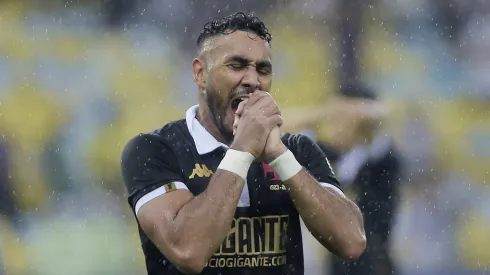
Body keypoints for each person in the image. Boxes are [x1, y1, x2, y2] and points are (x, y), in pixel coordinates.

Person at [120, 12, 366, 275]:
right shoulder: (154, 150)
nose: (252, 80)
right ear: (200, 73)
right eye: (236, 66)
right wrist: (243, 150)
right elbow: (189, 251)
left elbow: (351, 242)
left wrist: (279, 156)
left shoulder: (296, 150)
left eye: (263, 69)